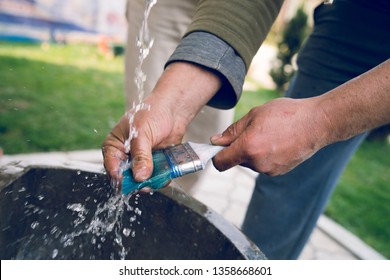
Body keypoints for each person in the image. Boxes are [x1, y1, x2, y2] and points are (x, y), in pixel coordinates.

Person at [103, 0, 390, 259]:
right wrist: (171, 104)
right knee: (281, 188)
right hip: (356, 15)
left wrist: (319, 121)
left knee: (297, 163)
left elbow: (315, 124)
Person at [124, 0, 235, 192]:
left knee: (213, 129)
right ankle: (135, 199)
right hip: (164, 5)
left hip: (232, 9)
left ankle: (173, 202)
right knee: (146, 129)